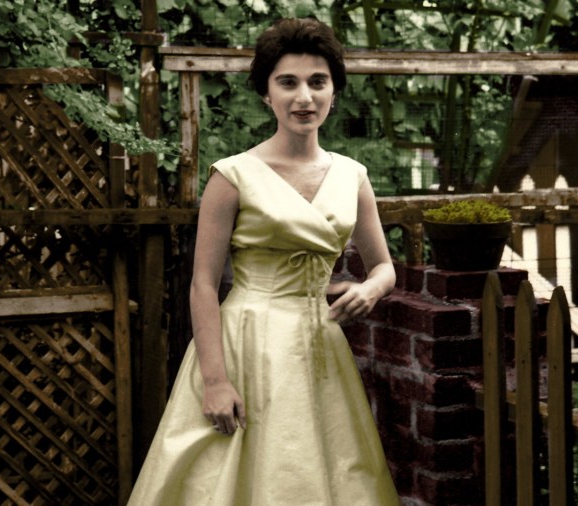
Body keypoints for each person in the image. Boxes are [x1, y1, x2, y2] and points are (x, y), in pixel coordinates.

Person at [128, 17, 399, 505]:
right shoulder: (233, 176)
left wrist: (370, 288)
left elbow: (384, 266)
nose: (304, 97)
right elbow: (203, 285)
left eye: (318, 82)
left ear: (334, 92)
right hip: (246, 346)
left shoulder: (352, 177)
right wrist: (215, 381)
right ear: (266, 94)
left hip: (320, 350)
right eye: (288, 82)